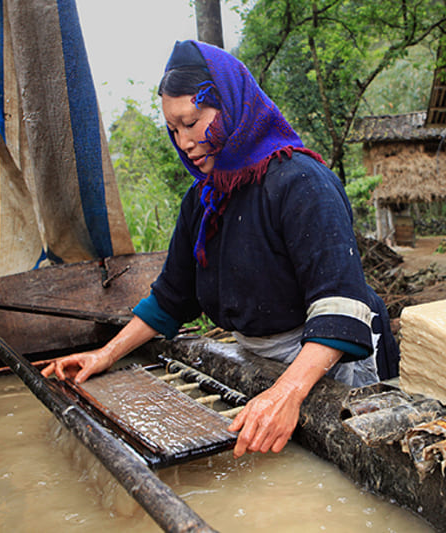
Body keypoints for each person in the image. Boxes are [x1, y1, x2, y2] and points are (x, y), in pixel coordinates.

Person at [42, 40, 400, 459]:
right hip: (261, 358)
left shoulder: (301, 182)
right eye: (173, 130)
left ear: (230, 105)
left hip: (329, 360)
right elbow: (170, 299)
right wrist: (102, 356)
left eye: (191, 121)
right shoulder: (204, 200)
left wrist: (286, 393)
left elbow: (340, 304)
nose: (185, 141)